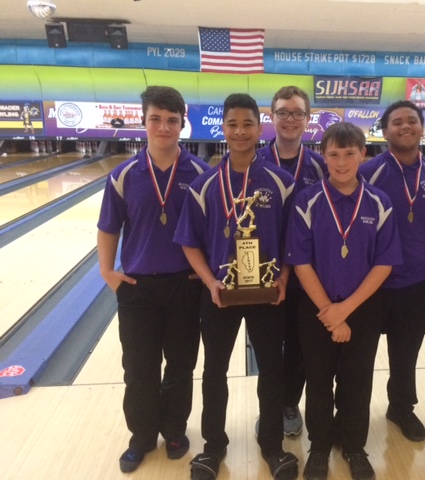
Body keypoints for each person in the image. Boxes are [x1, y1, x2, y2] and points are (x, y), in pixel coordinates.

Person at [174, 93, 298, 480]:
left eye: (248, 123)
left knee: (272, 371)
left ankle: (273, 446)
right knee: (214, 371)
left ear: (259, 128)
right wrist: (210, 281)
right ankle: (213, 447)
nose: (240, 131)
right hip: (220, 295)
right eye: (232, 124)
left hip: (267, 294)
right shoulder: (205, 184)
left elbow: (295, 241)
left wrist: (284, 278)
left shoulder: (282, 181)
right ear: (223, 129)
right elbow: (189, 242)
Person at [97, 86, 210, 473]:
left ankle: (175, 431)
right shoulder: (123, 176)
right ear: (144, 122)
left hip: (185, 285)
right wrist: (108, 272)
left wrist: (204, 273)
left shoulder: (200, 173)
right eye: (156, 119)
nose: (164, 127)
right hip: (138, 289)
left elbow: (213, 230)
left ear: (182, 124)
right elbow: (109, 228)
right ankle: (142, 437)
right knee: (139, 369)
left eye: (172, 120)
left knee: (180, 365)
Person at [286, 122, 402, 480]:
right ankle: (319, 446)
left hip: (363, 309)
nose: (341, 162)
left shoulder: (379, 203)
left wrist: (345, 311)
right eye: (333, 154)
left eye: (349, 153)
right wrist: (331, 314)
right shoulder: (308, 201)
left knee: (357, 380)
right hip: (316, 308)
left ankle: (353, 445)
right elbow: (301, 262)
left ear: (362, 155)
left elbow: (384, 263)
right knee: (318, 380)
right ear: (323, 156)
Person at [358, 100, 425, 442]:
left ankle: (401, 407)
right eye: (397, 122)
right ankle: (353, 412)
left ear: (422, 128)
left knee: (406, 354)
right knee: (360, 356)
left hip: (416, 283)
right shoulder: (367, 173)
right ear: (384, 131)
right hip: (369, 285)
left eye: (412, 120)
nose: (405, 126)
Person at [256, 85, 326, 437]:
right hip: (263, 272)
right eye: (282, 112)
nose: (290, 119)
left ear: (307, 119)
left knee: (299, 344)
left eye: (297, 112)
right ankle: (268, 407)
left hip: (307, 274)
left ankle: (287, 403)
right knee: (268, 346)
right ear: (272, 116)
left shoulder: (320, 165)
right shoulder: (254, 162)